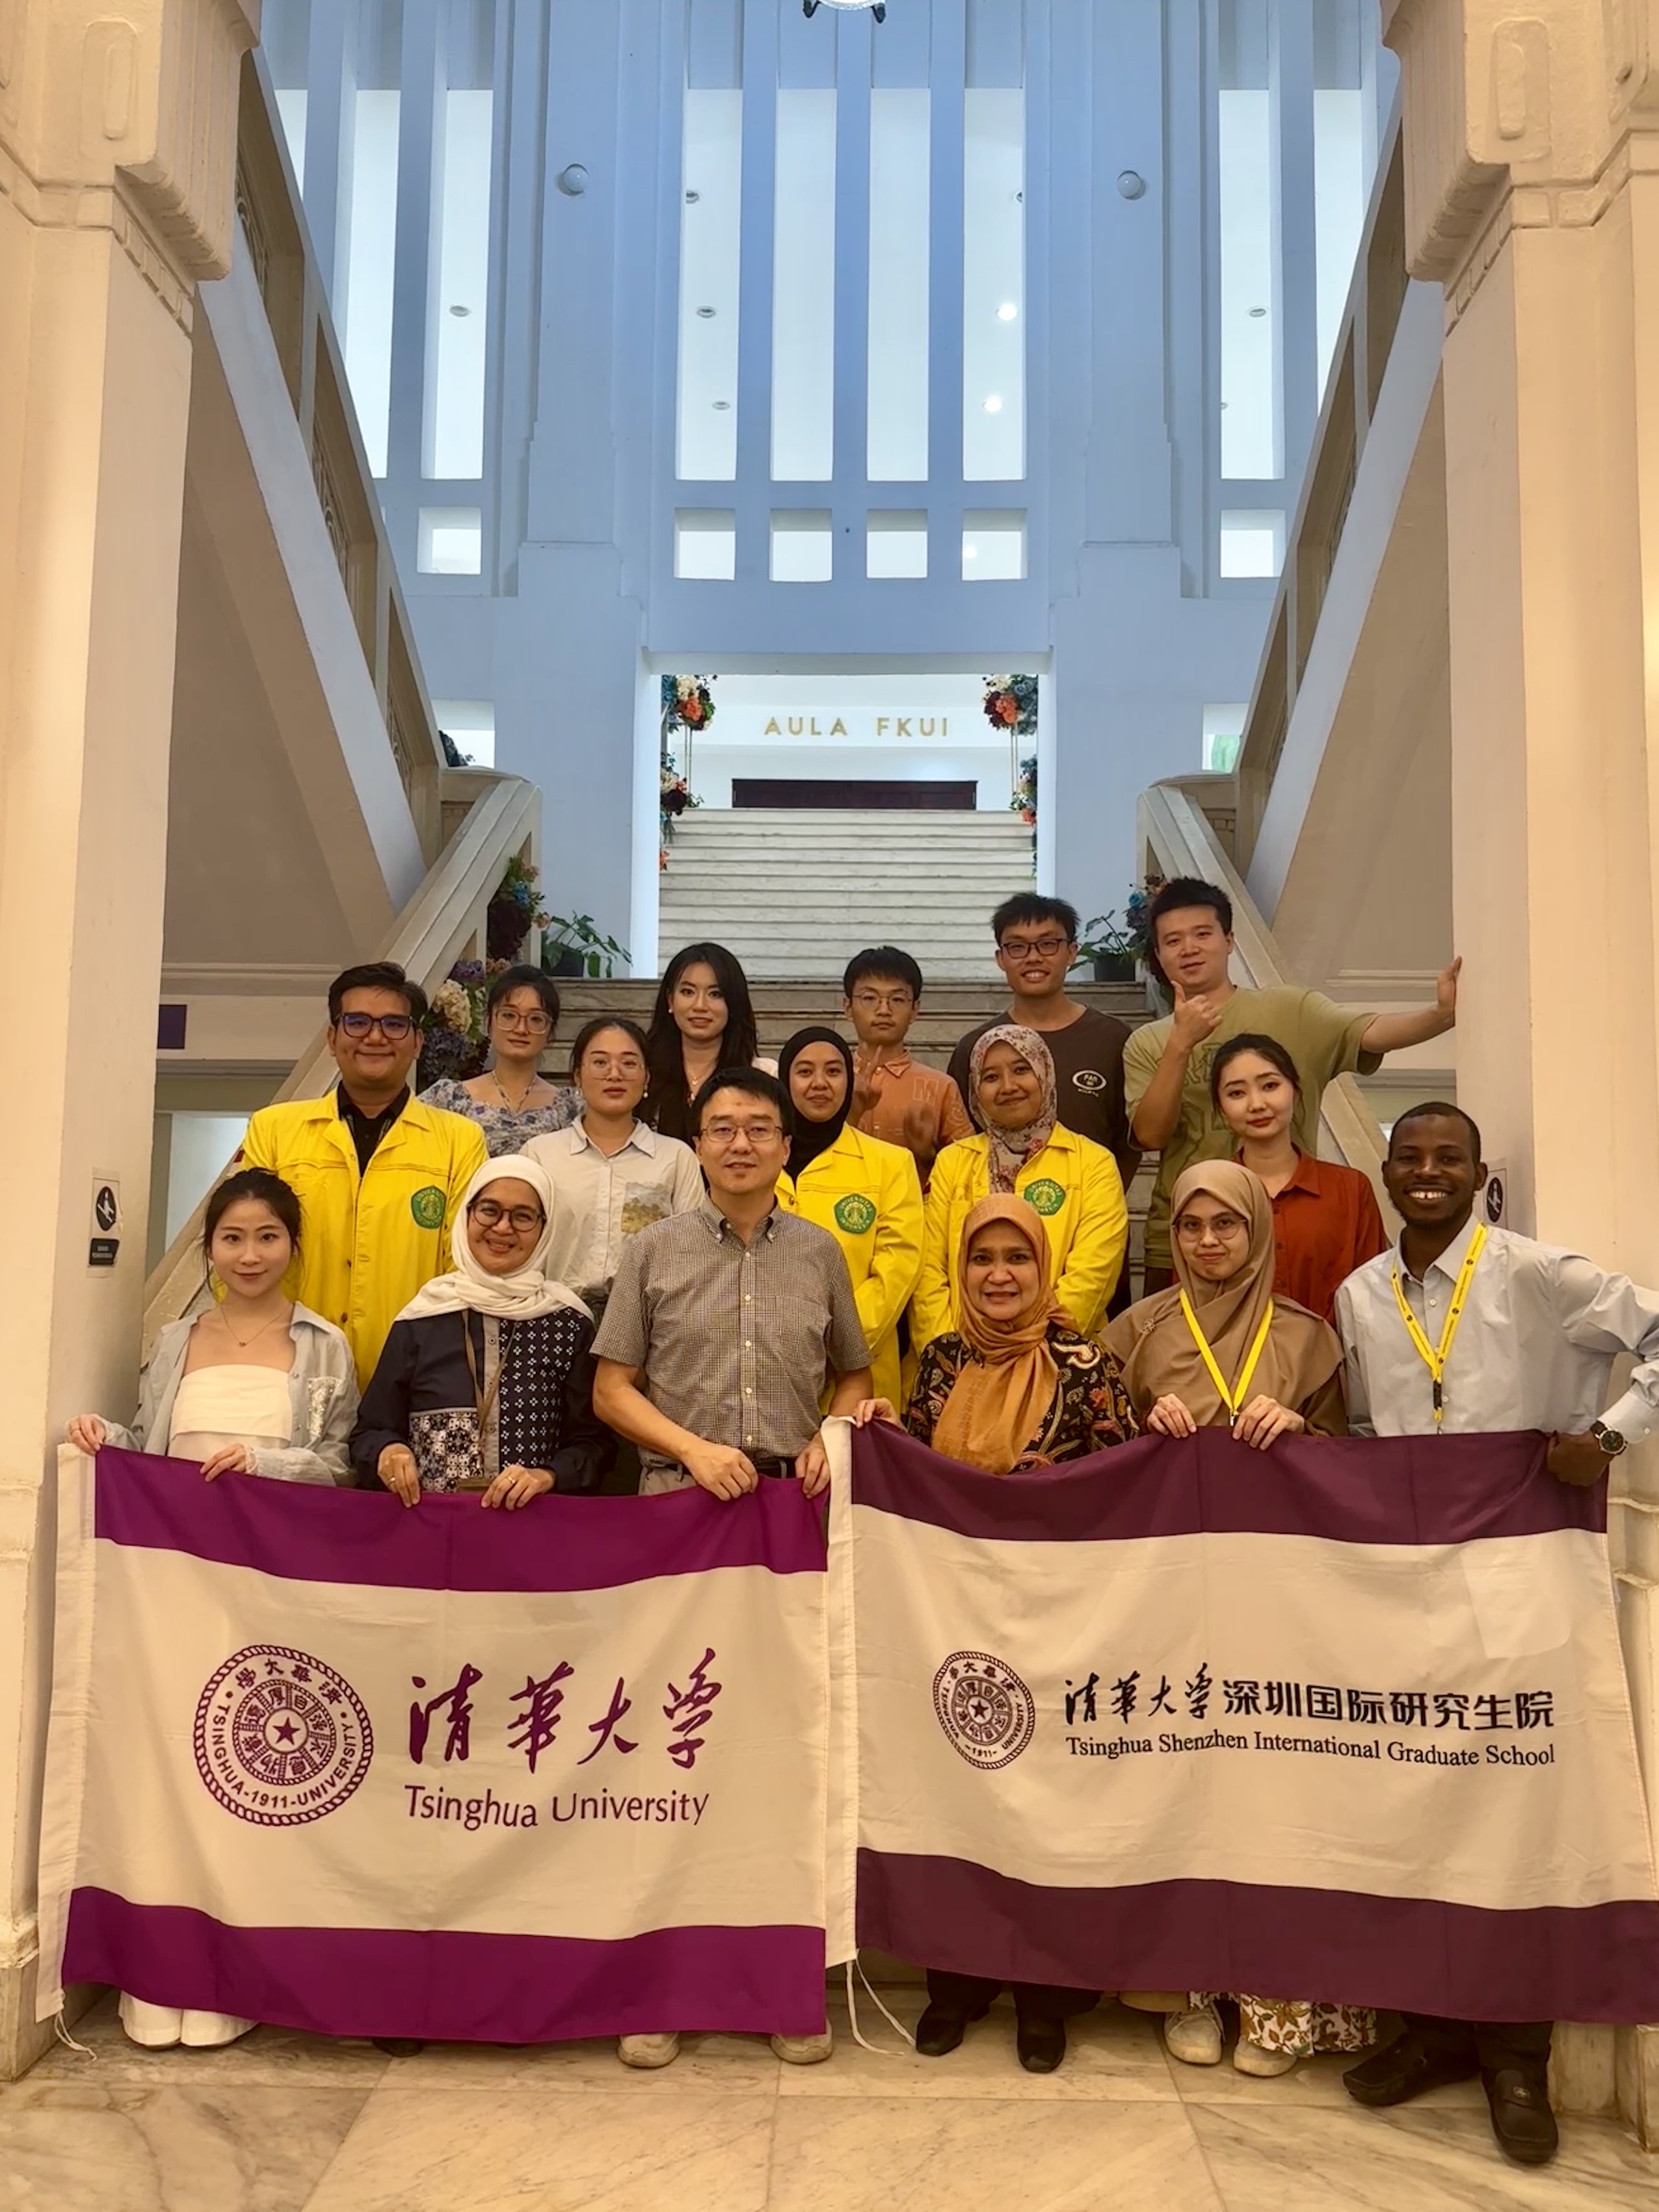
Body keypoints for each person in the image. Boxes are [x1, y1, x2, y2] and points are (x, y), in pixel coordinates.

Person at [1334, 1101, 1659, 2168]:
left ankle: (1515, 2055)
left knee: (1516, 1815)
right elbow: (1367, 1432)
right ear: (1386, 1172)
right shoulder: (1358, 1295)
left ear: (1478, 1174)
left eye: (1448, 1158)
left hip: (1521, 1582)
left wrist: (1607, 1434)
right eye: (1410, 1157)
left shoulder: (1535, 1274)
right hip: (1409, 1584)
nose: (1426, 1172)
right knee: (1419, 1802)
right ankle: (1431, 2030)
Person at [591, 1067, 869, 2073]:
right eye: (722, 1127)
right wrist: (693, 1448)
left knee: (782, 1757)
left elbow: (853, 1373)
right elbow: (611, 1389)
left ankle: (783, 1988)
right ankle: (663, 1985)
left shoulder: (820, 1251)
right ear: (696, 1144)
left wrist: (833, 1431)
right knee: (672, 1753)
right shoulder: (652, 1249)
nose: (741, 1142)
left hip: (788, 1525)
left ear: (786, 1147)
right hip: (677, 1512)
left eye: (759, 1127)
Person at [64, 1168, 358, 2052]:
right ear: (210, 1249)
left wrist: (266, 1464)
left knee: (248, 1775)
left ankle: (234, 1980)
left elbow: (337, 1463)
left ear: (293, 1247)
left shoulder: (325, 1346)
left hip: (267, 1587)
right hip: (176, 1587)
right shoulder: (174, 1338)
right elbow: (153, 1443)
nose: (250, 1254)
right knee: (168, 1767)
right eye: (233, 1238)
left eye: (267, 1236)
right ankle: (159, 1980)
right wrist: (104, 1438)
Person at [856, 1193, 1135, 2072]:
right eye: (982, 1258)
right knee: (956, 1798)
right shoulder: (940, 1359)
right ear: (961, 1269)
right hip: (952, 1618)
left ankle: (1045, 1996)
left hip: (1057, 1621)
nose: (1000, 1275)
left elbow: (1125, 1485)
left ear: (1043, 1267)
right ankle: (957, 1983)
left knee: (1046, 1805)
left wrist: (1048, 1488)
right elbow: (918, 1470)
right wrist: (882, 1433)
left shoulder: (1086, 1363)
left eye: (1017, 1257)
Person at [1104, 1161, 1366, 2080]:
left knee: (1274, 1795)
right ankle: (1183, 1995)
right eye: (1190, 1225)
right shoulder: (1134, 1333)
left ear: (1258, 1230)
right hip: (1167, 1602)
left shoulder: (1307, 1337)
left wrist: (1300, 1433)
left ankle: (1275, 2004)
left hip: (1279, 1603)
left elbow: (1354, 1465)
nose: (1208, 1241)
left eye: (1227, 1224)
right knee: (1176, 1789)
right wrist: (1141, 1431)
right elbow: (1094, 1459)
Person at [1124, 876, 1458, 1292]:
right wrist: (1179, 1044)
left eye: (1202, 934)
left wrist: (1439, 1015)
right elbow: (1151, 1135)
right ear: (1158, 955)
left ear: (1229, 940)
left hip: (1287, 1227)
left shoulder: (1290, 1010)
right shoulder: (1146, 1042)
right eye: (1173, 941)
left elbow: (1370, 1033)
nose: (1188, 948)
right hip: (1186, 1239)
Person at [241, 962, 488, 1389]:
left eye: (394, 1024)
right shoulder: (274, 1131)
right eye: (357, 1022)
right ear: (332, 1038)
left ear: (417, 1041)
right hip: (287, 1373)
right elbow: (242, 1250)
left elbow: (465, 1269)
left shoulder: (459, 1141)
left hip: (413, 1379)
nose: (375, 1037)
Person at [352, 1155, 605, 1504]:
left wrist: (548, 1476)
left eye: (523, 1216)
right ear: (467, 1214)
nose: (502, 1228)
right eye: (489, 1210)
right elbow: (369, 1432)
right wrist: (389, 1450)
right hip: (432, 1525)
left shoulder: (568, 1323)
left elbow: (595, 1443)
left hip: (536, 1525)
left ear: (545, 1229)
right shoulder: (421, 1319)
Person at [916, 1027, 1127, 1349]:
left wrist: (1031, 1352)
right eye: (991, 1077)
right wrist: (949, 1353)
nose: (1008, 1086)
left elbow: (1093, 1274)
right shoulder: (952, 1162)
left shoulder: (1093, 1163)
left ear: (1045, 1074)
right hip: (960, 1358)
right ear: (975, 1088)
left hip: (1058, 1356)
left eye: (1020, 1070)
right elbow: (929, 1272)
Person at [776, 1025, 924, 1410]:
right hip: (769, 1374)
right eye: (805, 1071)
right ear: (785, 1081)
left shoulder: (889, 1163)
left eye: (833, 1071)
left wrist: (832, 1347)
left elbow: (896, 1271)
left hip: (861, 1377)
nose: (819, 1083)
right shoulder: (758, 1160)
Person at [947, 897, 1137, 1187]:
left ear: (1072, 952)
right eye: (1017, 947)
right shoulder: (978, 1047)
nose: (1033, 957)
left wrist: (1103, 1197)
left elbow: (1129, 1141)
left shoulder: (1113, 1039)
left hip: (1090, 1206)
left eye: (1048, 944)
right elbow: (962, 1139)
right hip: (995, 1209)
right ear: (1001, 958)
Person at [522, 1018, 704, 1321]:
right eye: (600, 1062)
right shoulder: (540, 1154)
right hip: (552, 1319)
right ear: (578, 1076)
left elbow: (693, 1254)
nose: (615, 1074)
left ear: (647, 1078)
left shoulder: (675, 1158)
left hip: (648, 1323)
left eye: (629, 1063)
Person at [1211, 1034, 1387, 1319]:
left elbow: (1373, 1293)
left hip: (1334, 1347)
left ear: (1295, 1090)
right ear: (1221, 1109)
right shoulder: (1209, 1193)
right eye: (1237, 1093)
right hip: (1233, 1349)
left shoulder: (1350, 1189)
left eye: (1270, 1086)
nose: (1256, 1104)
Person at [842, 946, 972, 1187]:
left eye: (898, 999)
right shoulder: (831, 1080)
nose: (884, 1010)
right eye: (869, 998)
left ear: (915, 1010)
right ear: (848, 1007)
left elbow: (967, 1173)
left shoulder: (940, 1087)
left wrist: (927, 1155)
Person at [420, 965, 578, 1153]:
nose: (521, 1029)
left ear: (550, 1032)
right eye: (509, 1016)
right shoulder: (448, 1099)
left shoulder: (570, 1109)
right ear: (490, 1022)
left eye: (536, 1019)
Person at [642, 941, 776, 1144]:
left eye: (715, 994)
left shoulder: (765, 1075)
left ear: (734, 1004)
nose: (700, 1006)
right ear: (670, 1001)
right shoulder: (641, 1072)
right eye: (688, 992)